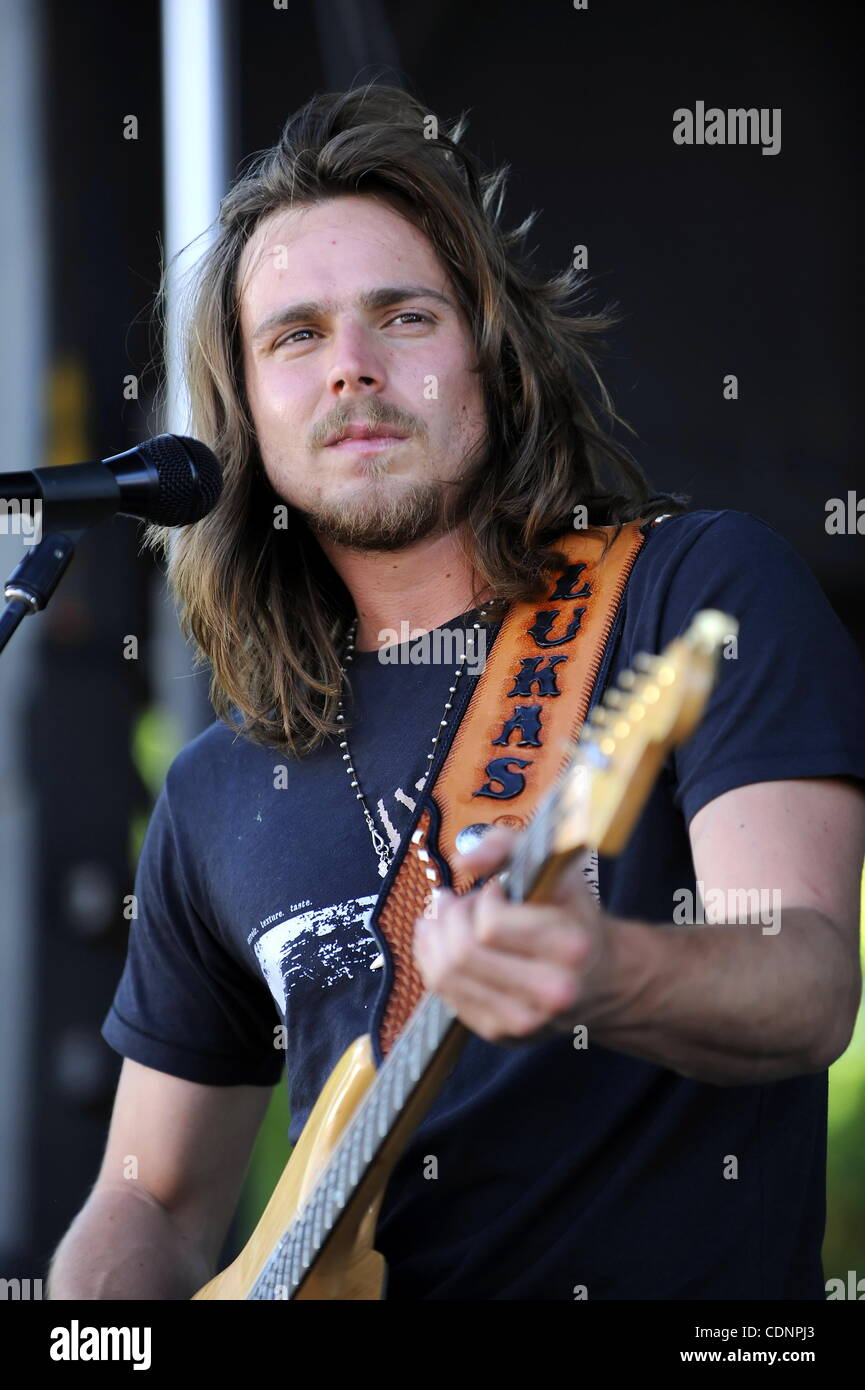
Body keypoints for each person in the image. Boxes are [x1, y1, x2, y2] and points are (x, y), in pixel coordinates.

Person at [48, 84, 865, 1301]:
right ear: (244, 414)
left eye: (403, 316)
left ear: (492, 354)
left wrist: (604, 973)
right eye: (296, 336)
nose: (353, 371)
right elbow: (150, 1196)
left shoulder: (693, 592)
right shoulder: (217, 787)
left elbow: (804, 980)